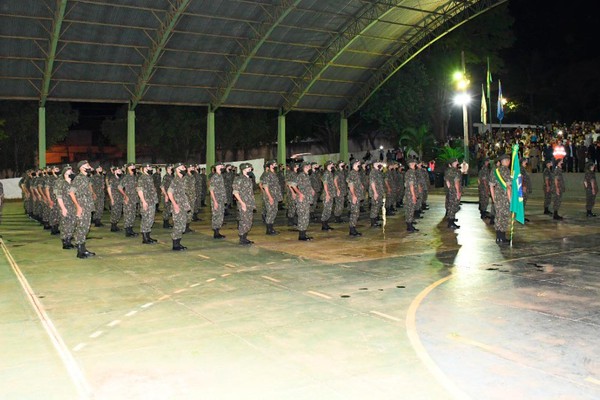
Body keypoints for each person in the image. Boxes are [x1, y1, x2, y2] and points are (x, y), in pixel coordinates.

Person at [69, 160, 96, 258]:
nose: (89, 167)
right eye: (87, 165)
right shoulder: (79, 178)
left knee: (85, 228)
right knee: (81, 228)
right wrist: (78, 207)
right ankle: (80, 252)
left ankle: (83, 249)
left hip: (87, 207)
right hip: (82, 207)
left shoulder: (85, 178)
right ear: (81, 168)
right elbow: (71, 192)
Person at [167, 163, 190, 250]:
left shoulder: (183, 179)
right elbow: (169, 192)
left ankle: (178, 243)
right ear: (177, 169)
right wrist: (175, 205)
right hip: (178, 206)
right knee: (178, 225)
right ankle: (175, 245)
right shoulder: (175, 180)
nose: (184, 168)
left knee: (182, 225)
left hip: (183, 206)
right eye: (182, 167)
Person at [289, 162, 315, 241]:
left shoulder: (306, 175)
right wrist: (299, 194)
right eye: (307, 166)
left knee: (306, 217)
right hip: (302, 199)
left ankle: (304, 233)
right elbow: (292, 185)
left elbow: (307, 185)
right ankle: (301, 236)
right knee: (302, 217)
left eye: (309, 166)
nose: (309, 167)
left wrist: (311, 189)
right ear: (303, 167)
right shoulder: (301, 175)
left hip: (307, 199)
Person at [490, 154, 511, 244]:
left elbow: (491, 185)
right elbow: (508, 187)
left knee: (498, 216)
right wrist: (510, 199)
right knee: (504, 217)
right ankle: (502, 237)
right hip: (505, 198)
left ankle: (498, 237)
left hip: (497, 198)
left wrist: (494, 197)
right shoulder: (506, 170)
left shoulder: (496, 171)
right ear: (506, 161)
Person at [233, 163, 256, 245]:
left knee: (249, 221)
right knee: (244, 221)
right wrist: (242, 203)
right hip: (243, 203)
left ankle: (245, 237)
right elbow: (235, 192)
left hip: (250, 203)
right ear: (244, 169)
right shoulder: (239, 179)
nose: (250, 169)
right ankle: (242, 238)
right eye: (249, 168)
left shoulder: (248, 178)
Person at [136, 163, 159, 244]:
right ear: (144, 168)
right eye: (149, 167)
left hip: (152, 201)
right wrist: (143, 201)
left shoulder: (149, 177)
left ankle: (148, 236)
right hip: (146, 202)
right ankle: (145, 238)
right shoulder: (142, 178)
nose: (150, 168)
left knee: (150, 219)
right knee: (146, 219)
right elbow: (139, 190)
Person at [55, 165, 76, 249]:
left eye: (71, 171)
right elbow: (59, 197)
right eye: (68, 171)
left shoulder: (73, 182)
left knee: (72, 223)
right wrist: (63, 208)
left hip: (73, 206)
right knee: (65, 224)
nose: (70, 172)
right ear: (64, 173)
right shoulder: (61, 183)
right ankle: (65, 242)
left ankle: (69, 240)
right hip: (65, 206)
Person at [260, 160, 282, 235]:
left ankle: (271, 228)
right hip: (270, 196)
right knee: (270, 212)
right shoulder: (267, 174)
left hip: (275, 196)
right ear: (270, 166)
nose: (276, 166)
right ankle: (269, 230)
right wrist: (270, 197)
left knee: (274, 211)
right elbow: (265, 186)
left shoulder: (274, 174)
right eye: (274, 164)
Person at [118, 163, 139, 237]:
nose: (133, 167)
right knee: (128, 215)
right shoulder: (126, 177)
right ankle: (127, 231)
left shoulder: (135, 177)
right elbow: (120, 187)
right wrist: (125, 195)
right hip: (128, 199)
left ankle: (131, 230)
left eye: (134, 166)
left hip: (134, 199)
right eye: (131, 166)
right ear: (128, 168)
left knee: (132, 215)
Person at [346, 159, 364, 237]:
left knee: (356, 213)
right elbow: (350, 185)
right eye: (358, 163)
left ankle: (353, 228)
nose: (359, 164)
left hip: (357, 195)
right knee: (354, 213)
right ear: (354, 164)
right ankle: (352, 230)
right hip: (354, 196)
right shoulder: (352, 173)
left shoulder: (356, 173)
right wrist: (353, 195)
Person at [209, 162, 227, 239]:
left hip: (221, 199)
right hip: (216, 200)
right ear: (217, 167)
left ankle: (217, 232)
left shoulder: (220, 176)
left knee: (220, 215)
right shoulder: (215, 177)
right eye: (221, 166)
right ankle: (216, 233)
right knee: (216, 216)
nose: (223, 167)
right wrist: (215, 201)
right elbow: (211, 190)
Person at [444, 158, 461, 229]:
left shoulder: (448, 171)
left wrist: (449, 188)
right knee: (453, 206)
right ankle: (451, 223)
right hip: (454, 190)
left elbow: (446, 180)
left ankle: (451, 221)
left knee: (450, 205)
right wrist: (458, 192)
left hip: (450, 190)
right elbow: (456, 182)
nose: (457, 162)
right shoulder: (455, 171)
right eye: (456, 161)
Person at [107, 166, 124, 232]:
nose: (120, 172)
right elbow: (109, 189)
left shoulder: (120, 179)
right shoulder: (112, 179)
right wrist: (111, 199)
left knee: (118, 212)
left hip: (120, 198)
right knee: (114, 212)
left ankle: (115, 225)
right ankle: (113, 227)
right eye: (118, 171)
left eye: (120, 171)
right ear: (115, 172)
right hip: (114, 197)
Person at [404, 157, 419, 233]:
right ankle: (409, 226)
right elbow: (411, 185)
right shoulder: (410, 173)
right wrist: (413, 195)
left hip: (410, 194)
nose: (416, 165)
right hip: (410, 194)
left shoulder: (411, 172)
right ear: (412, 164)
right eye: (415, 163)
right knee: (410, 209)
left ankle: (410, 225)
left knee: (411, 209)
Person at [320, 161, 335, 231]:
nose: (333, 165)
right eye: (331, 164)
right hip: (327, 194)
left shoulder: (330, 173)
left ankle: (326, 224)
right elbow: (325, 184)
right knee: (326, 210)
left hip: (330, 194)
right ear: (328, 165)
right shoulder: (326, 173)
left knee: (329, 210)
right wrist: (327, 194)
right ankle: (323, 225)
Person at [369, 160, 384, 227]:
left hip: (379, 192)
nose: (380, 164)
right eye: (379, 163)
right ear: (374, 164)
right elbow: (372, 183)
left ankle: (375, 220)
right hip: (375, 192)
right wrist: (375, 192)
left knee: (377, 206)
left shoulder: (378, 172)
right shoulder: (373, 172)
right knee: (375, 207)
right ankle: (373, 222)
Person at [90, 162, 105, 227]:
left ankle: (98, 220)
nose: (100, 169)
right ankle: (96, 221)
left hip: (101, 194)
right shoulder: (94, 177)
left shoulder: (102, 176)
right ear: (96, 170)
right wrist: (93, 193)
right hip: (96, 194)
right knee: (97, 208)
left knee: (101, 208)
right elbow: (90, 185)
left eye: (101, 168)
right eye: (99, 168)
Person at [521, 158, 532, 222]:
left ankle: (522, 216)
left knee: (523, 203)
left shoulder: (523, 169)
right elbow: (521, 177)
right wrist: (523, 186)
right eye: (525, 162)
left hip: (525, 188)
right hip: (523, 189)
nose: (526, 163)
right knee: (522, 203)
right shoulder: (521, 169)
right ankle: (521, 217)